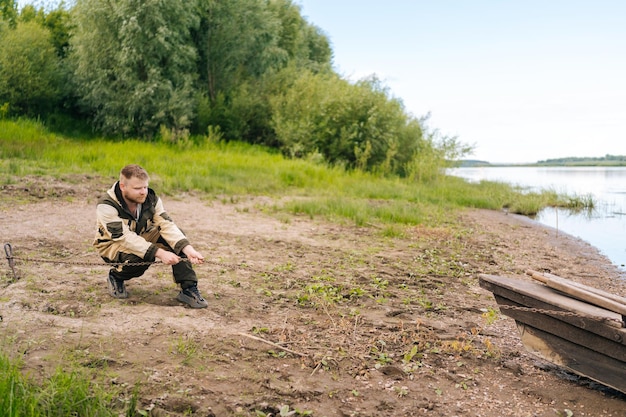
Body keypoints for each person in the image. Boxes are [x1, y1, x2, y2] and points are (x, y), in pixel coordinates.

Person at [93, 164, 208, 308]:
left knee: (177, 241)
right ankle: (116, 276)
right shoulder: (106, 205)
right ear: (123, 187)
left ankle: (188, 289)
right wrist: (159, 253)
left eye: (145, 187)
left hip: (141, 236)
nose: (143, 192)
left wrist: (188, 250)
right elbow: (124, 237)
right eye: (137, 188)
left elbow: (166, 224)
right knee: (141, 256)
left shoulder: (151, 199)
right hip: (112, 245)